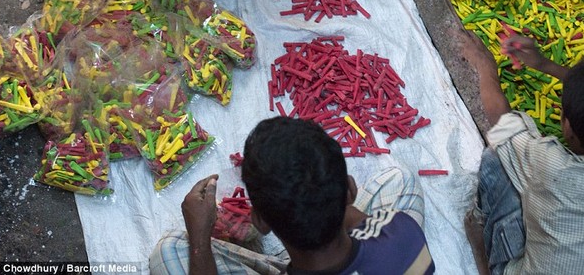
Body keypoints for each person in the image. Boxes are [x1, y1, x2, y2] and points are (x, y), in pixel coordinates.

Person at [461, 32, 584, 275]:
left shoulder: (552, 166)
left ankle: (485, 253)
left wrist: (485, 67)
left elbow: (502, 122)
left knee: (497, 160)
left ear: (567, 127)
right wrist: (543, 63)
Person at [150, 117, 435, 274]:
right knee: (400, 178)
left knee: (170, 250)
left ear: (260, 223)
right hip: (388, 264)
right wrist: (319, 200)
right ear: (349, 189)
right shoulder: (402, 234)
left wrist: (200, 237)